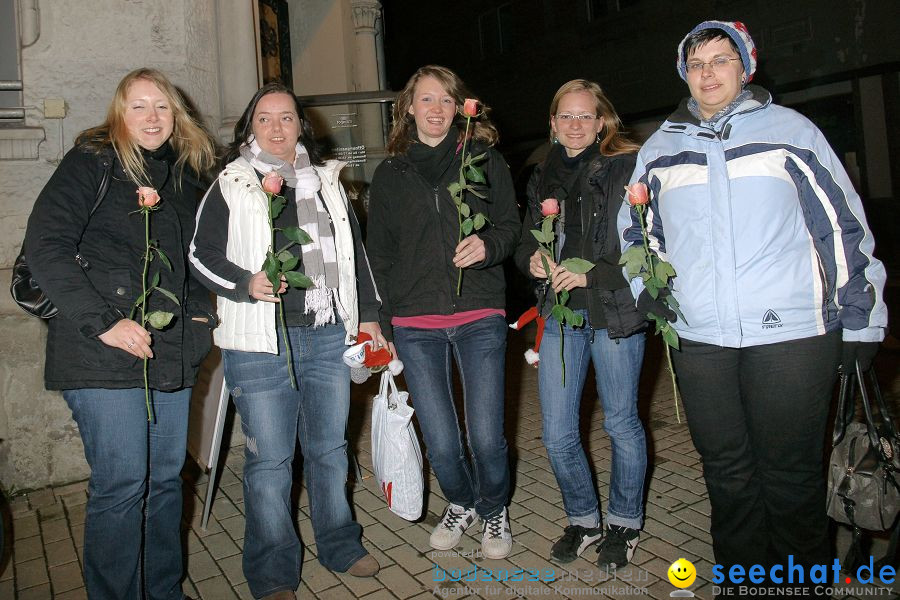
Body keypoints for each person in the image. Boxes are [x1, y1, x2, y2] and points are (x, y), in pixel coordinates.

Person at [618, 20, 888, 592]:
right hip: (701, 341)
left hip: (791, 336)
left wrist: (863, 322)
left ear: (746, 67)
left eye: (720, 60)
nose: (708, 73)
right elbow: (638, 234)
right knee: (728, 476)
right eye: (696, 64)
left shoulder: (792, 132)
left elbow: (842, 229)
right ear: (684, 75)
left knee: (790, 477)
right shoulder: (662, 148)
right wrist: (655, 297)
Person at [24, 67, 217, 599]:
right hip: (98, 353)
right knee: (123, 483)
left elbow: (194, 261)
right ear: (119, 113)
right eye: (139, 106)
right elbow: (46, 246)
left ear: (176, 116)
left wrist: (201, 317)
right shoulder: (93, 161)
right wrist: (105, 321)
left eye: (162, 106)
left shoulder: (185, 176)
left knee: (163, 483)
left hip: (169, 353)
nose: (152, 117)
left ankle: (162, 590)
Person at [189, 82, 382, 599]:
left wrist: (369, 317)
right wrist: (244, 282)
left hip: (325, 334)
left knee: (329, 448)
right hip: (259, 339)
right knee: (270, 460)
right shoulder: (231, 182)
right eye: (265, 119)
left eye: (287, 118)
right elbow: (199, 253)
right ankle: (273, 570)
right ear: (250, 127)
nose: (277, 128)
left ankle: (341, 545)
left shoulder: (324, 181)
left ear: (302, 125)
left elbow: (353, 254)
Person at [366, 65, 520, 559]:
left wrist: (487, 245)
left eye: (446, 100)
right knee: (441, 440)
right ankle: (461, 501)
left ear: (460, 108)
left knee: (486, 436)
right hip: (415, 323)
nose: (436, 110)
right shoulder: (390, 174)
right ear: (408, 108)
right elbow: (380, 254)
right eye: (426, 100)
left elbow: (510, 226)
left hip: (478, 313)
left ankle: (494, 509)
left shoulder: (482, 159)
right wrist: (382, 323)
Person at [514, 79, 647, 567]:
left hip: (613, 311)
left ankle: (625, 523)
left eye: (584, 116)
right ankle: (584, 518)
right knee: (556, 432)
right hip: (561, 314)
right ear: (552, 123)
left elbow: (649, 247)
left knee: (620, 423)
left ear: (602, 122)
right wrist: (530, 259)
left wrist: (593, 273)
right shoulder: (541, 174)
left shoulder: (628, 167)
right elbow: (528, 238)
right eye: (565, 116)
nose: (574, 125)